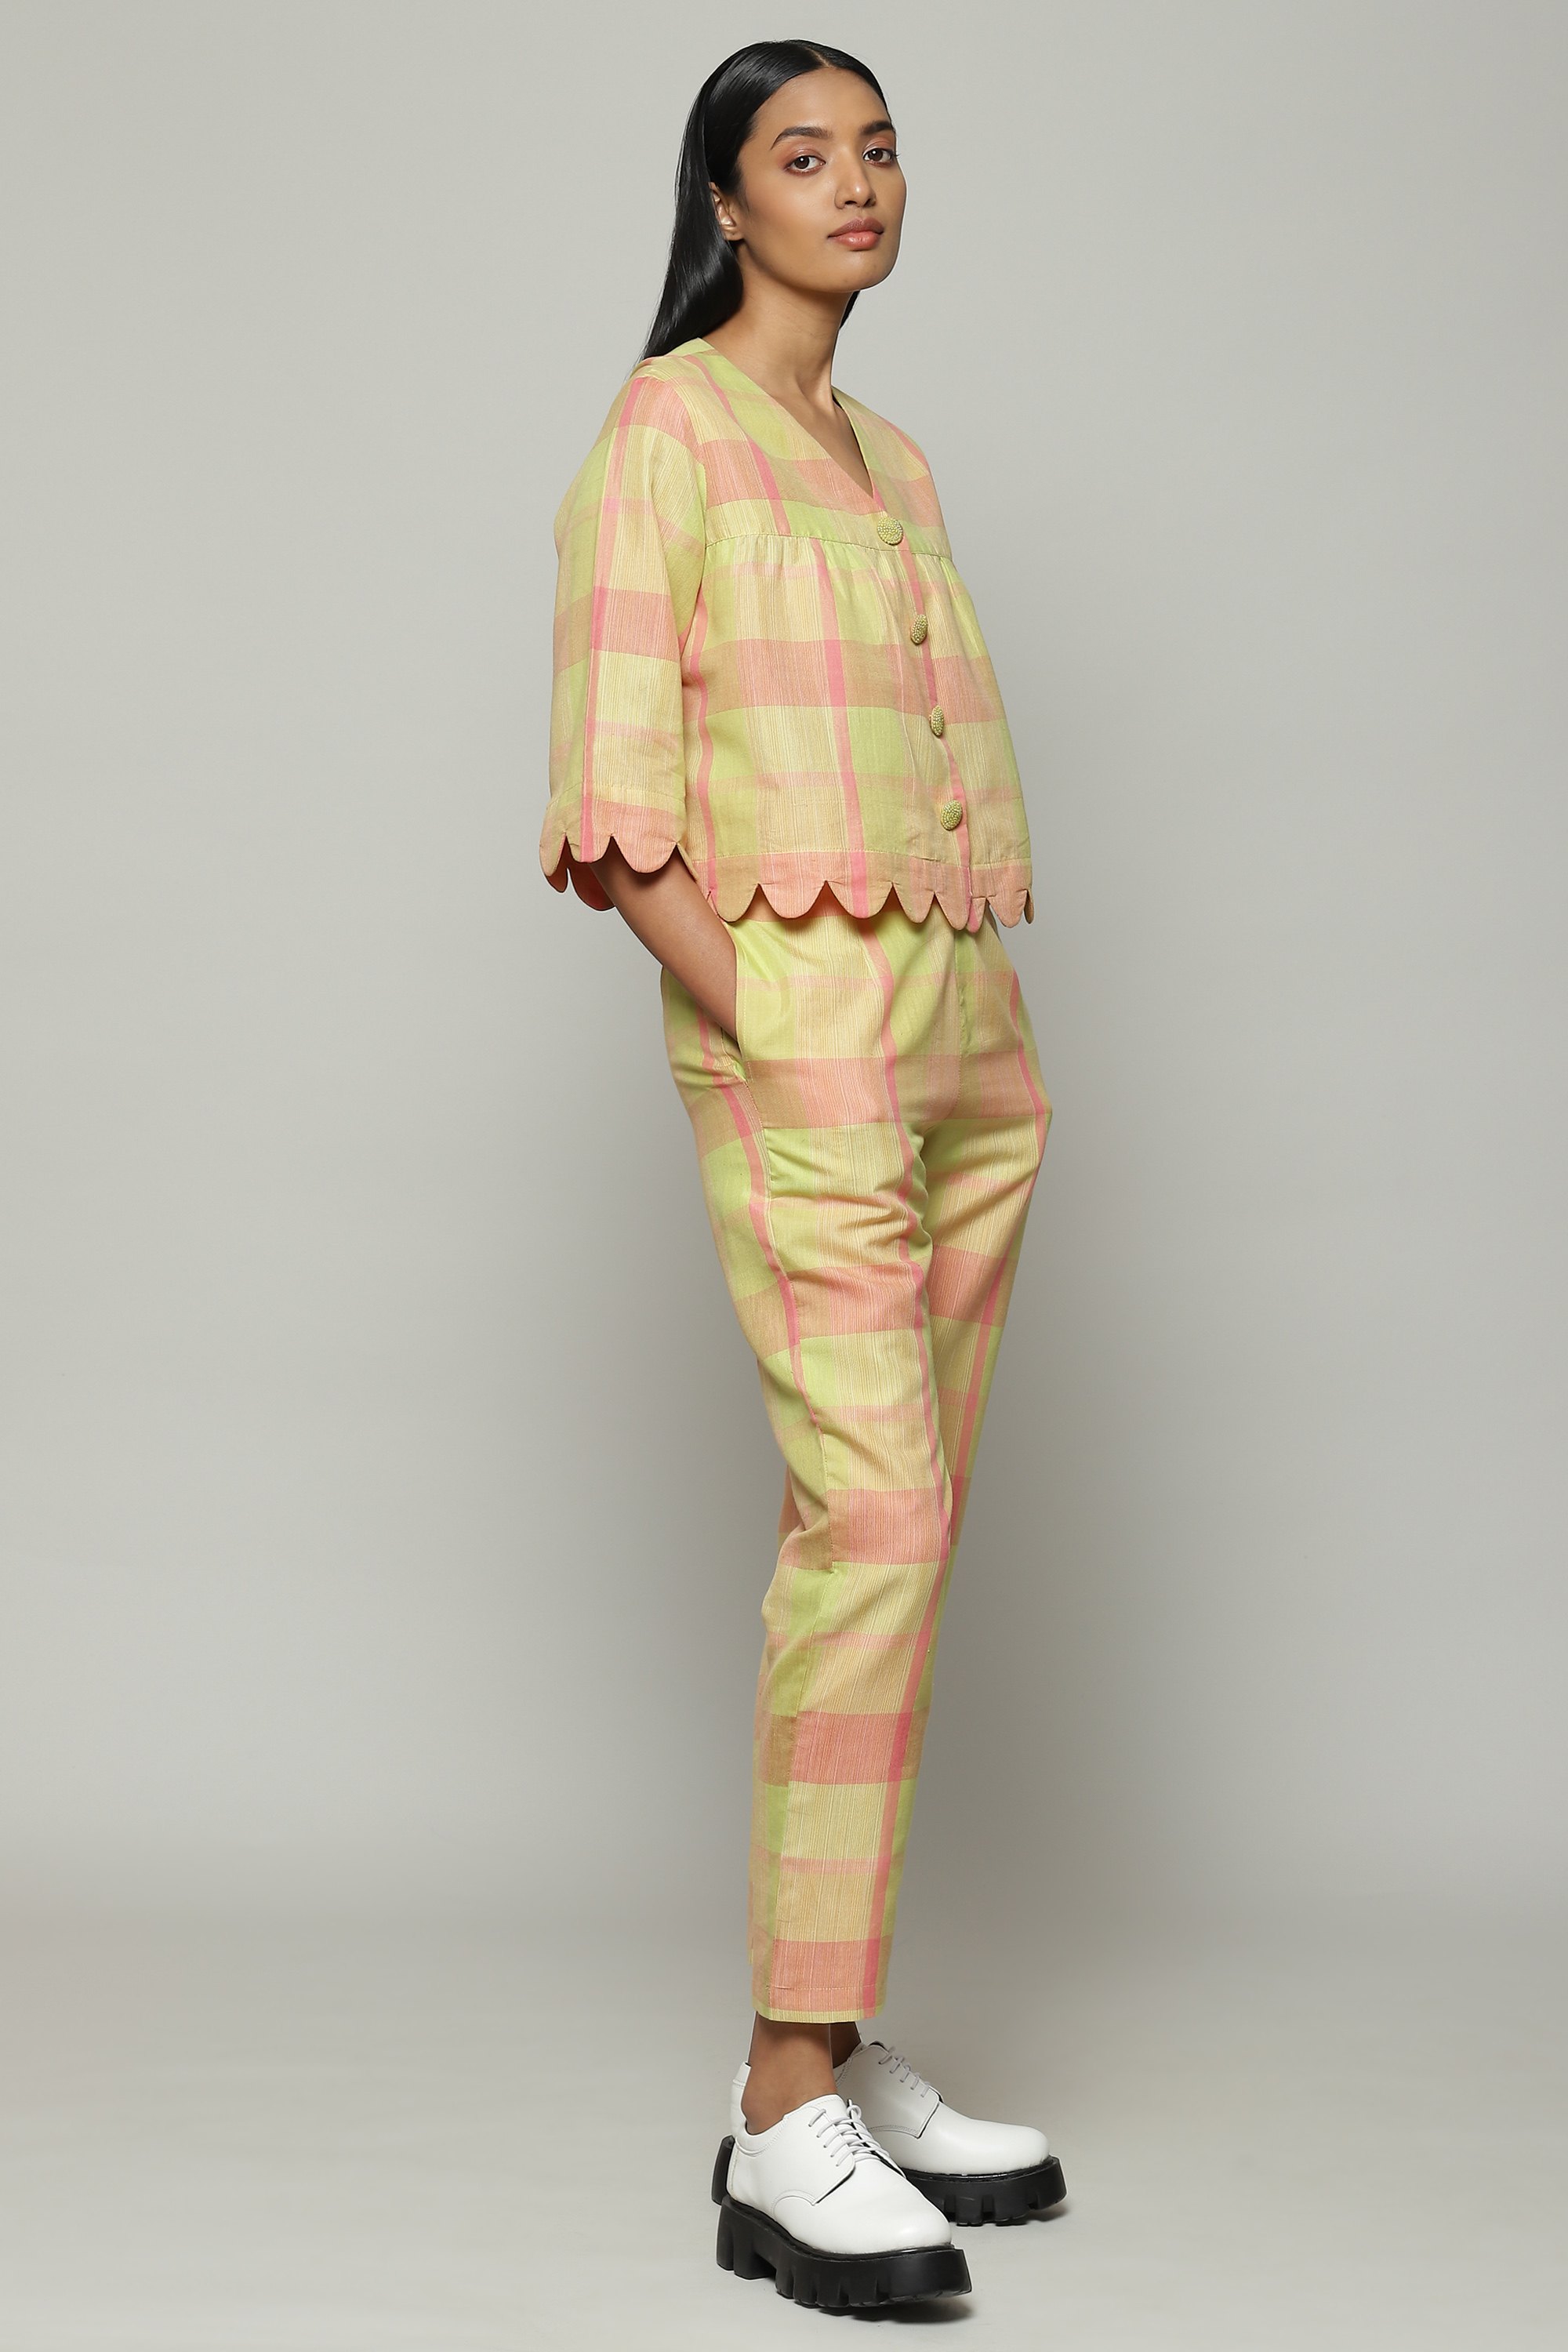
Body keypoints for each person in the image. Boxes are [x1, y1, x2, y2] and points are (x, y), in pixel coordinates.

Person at [541, 39, 1062, 2310]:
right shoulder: (663, 433)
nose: (857, 184)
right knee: (880, 1525)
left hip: (969, 1042)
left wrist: (960, 1030)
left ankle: (830, 2042)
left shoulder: (893, 456)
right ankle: (777, 2113)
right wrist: (777, 1027)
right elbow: (610, 798)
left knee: (891, 1543)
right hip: (819, 1044)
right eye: (804, 155)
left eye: (879, 149)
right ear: (724, 203)